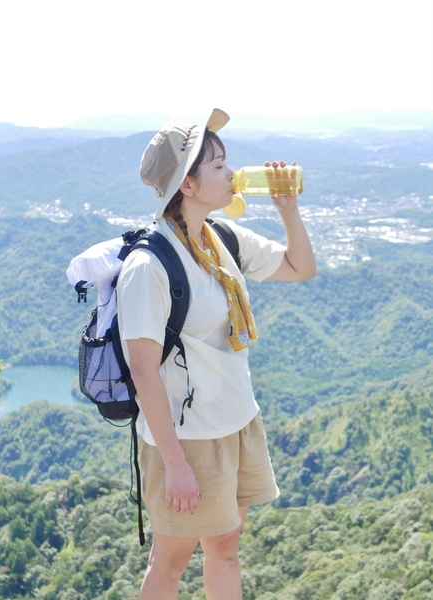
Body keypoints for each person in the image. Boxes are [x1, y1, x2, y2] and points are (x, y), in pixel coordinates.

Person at [116, 108, 316, 600]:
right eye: (219, 165)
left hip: (236, 421)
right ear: (187, 184)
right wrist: (176, 465)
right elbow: (143, 372)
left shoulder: (220, 238)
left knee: (225, 548)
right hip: (187, 439)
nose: (231, 173)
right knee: (169, 566)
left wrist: (288, 209)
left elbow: (300, 268)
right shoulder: (150, 265)